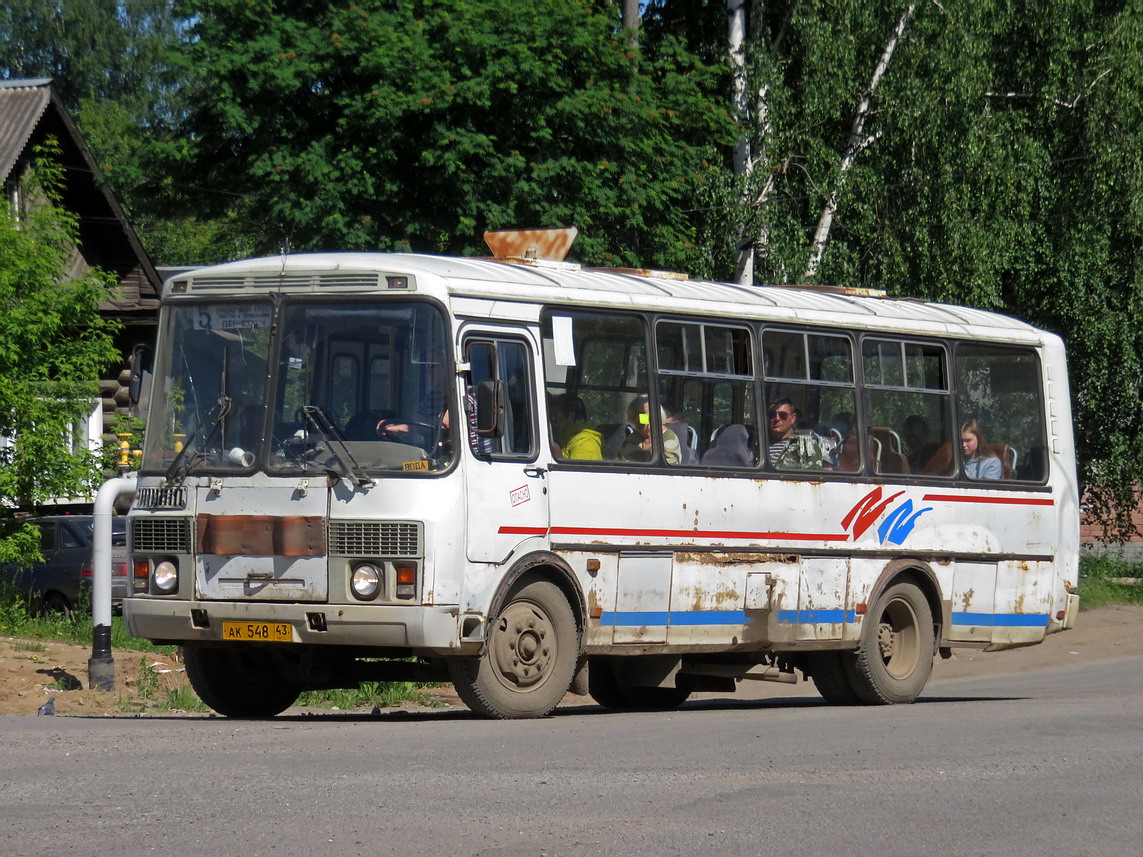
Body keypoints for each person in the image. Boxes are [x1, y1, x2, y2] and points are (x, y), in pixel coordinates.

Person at [766, 398, 833, 470]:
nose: (777, 418)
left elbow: (817, 476)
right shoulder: (757, 443)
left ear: (793, 418)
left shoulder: (807, 443)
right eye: (772, 415)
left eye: (783, 415)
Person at [618, 395, 681, 465]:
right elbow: (621, 462)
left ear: (655, 416)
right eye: (634, 415)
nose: (637, 420)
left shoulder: (669, 438)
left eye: (642, 415)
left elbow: (666, 471)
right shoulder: (632, 438)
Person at [549, 393, 603, 460]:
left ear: (571, 416)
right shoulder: (566, 438)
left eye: (555, 415)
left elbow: (582, 469)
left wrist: (558, 458)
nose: (553, 420)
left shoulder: (584, 442)